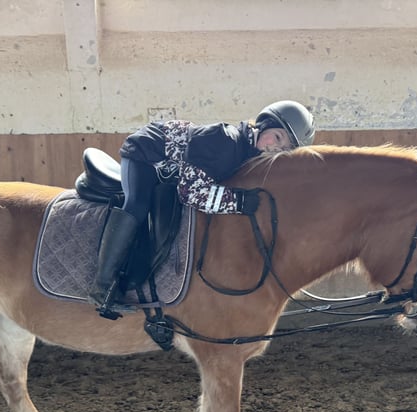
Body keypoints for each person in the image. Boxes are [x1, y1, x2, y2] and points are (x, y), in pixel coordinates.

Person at [91, 100, 315, 317]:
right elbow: (190, 193)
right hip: (146, 153)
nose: (275, 148)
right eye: (277, 137)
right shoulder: (226, 143)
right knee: (137, 205)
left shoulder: (249, 157)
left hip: (172, 164)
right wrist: (238, 202)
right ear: (264, 124)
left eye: (283, 149)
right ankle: (102, 287)